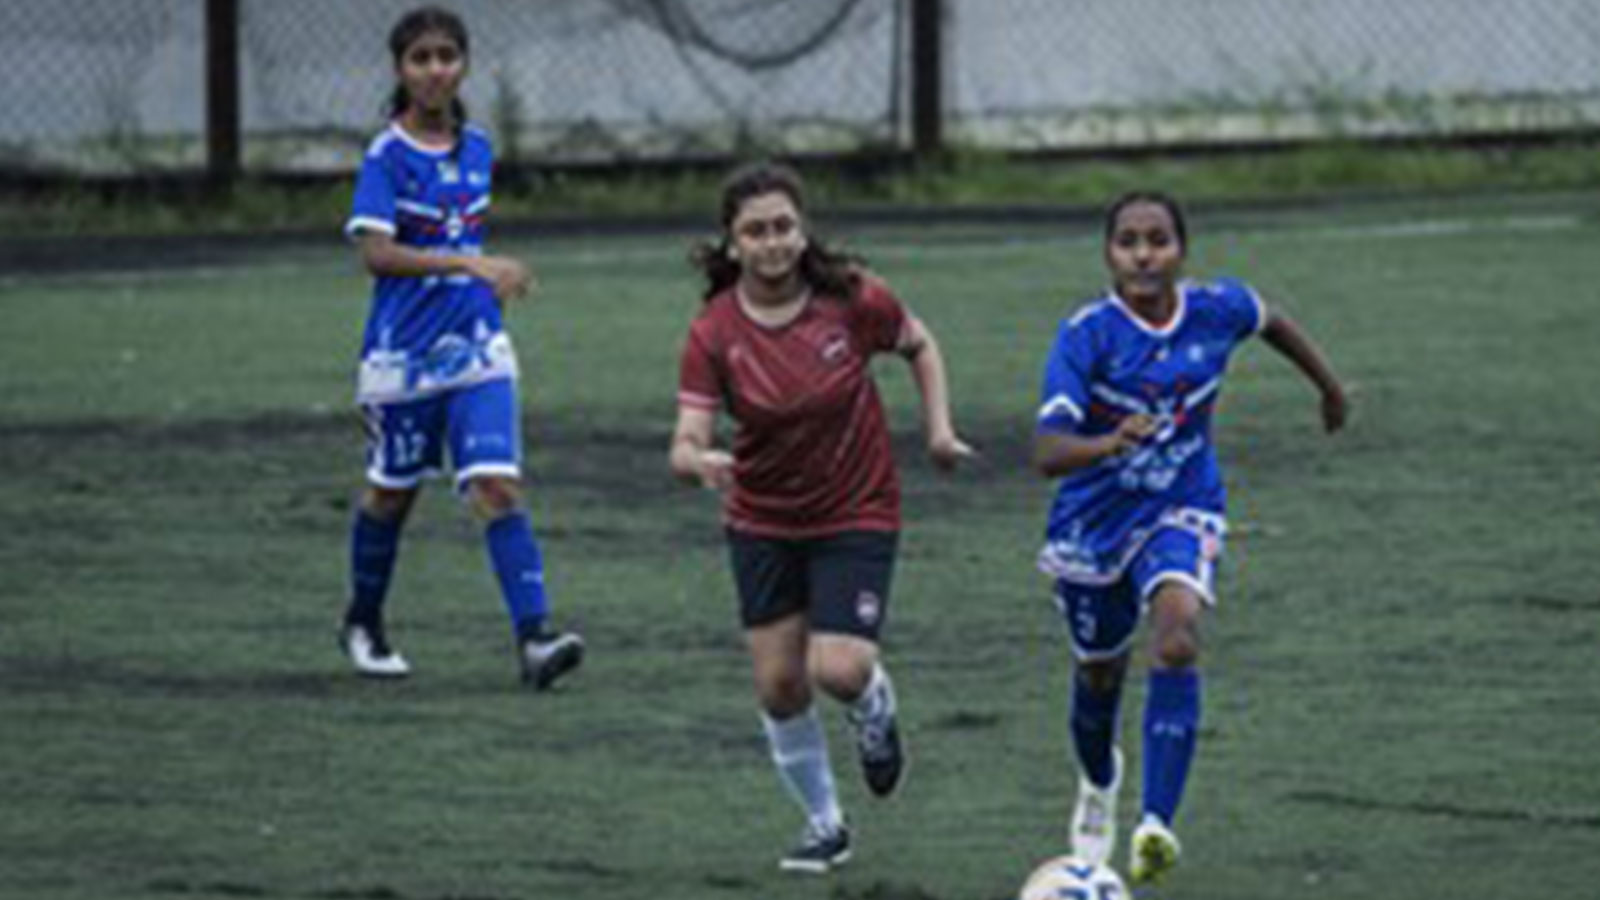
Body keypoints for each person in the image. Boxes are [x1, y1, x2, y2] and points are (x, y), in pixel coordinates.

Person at [1033, 191, 1348, 884]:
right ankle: (1099, 779)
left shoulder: (1216, 308)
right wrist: (1109, 441)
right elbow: (1047, 452)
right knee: (1098, 674)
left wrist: (1329, 388)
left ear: (1182, 249)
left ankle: (1155, 824)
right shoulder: (1086, 335)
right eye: (1128, 242)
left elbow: (1273, 321)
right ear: (1109, 254)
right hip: (1093, 526)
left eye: (1158, 240)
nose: (1144, 254)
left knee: (1177, 636)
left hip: (1182, 505)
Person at [669, 162, 973, 874]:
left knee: (838, 667)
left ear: (803, 233)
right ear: (732, 243)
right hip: (762, 519)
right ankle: (824, 822)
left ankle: (872, 705)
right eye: (755, 231)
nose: (772, 242)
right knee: (779, 685)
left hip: (855, 506)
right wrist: (698, 460)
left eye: (783, 227)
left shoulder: (852, 300)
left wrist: (937, 430)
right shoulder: (713, 332)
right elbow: (685, 437)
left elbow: (919, 344)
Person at [337, 6, 582, 689]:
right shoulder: (385, 156)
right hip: (402, 360)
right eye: (421, 58)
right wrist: (469, 266)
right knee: (391, 495)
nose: (436, 68)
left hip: (476, 348)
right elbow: (377, 255)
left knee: (497, 486)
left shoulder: (476, 147)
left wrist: (487, 285)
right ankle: (363, 619)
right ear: (400, 70)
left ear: (464, 64)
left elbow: (461, 242)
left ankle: (535, 638)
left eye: (448, 55)